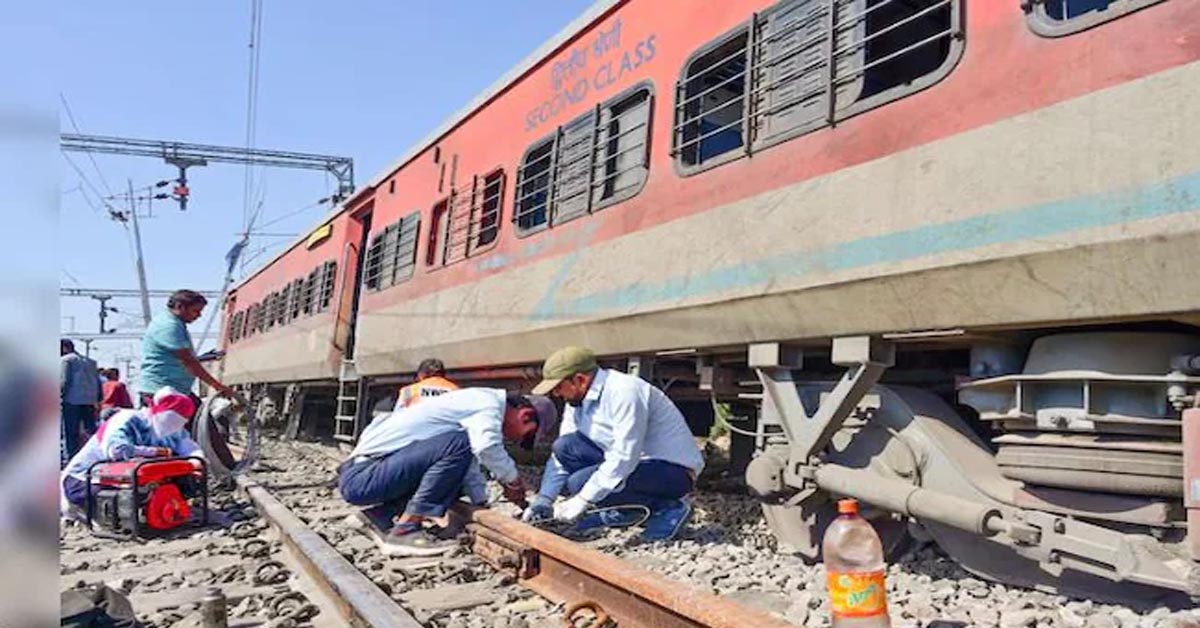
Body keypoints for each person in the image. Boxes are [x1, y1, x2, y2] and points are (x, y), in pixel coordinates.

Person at [338, 388, 552, 556]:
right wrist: (513, 481)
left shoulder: (474, 404)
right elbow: (485, 447)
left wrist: (480, 504)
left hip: (366, 473)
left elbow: (464, 466)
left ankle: (376, 517)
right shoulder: (488, 404)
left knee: (454, 467)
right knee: (459, 444)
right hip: (364, 476)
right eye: (526, 437)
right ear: (525, 416)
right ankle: (405, 531)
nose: (516, 441)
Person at [524, 346, 704, 541]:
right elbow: (560, 457)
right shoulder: (576, 401)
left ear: (580, 380)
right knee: (565, 447)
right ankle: (629, 509)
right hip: (635, 467)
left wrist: (583, 499)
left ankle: (669, 508)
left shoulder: (624, 391)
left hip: (671, 471)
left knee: (580, 483)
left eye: (559, 387)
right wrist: (544, 500)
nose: (557, 394)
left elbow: (625, 455)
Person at [60, 388, 203, 518]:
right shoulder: (128, 419)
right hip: (85, 478)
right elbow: (116, 450)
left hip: (132, 478)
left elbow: (190, 448)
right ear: (158, 411)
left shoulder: (176, 431)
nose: (173, 426)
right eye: (171, 419)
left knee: (185, 480)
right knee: (122, 499)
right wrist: (157, 452)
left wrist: (195, 462)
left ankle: (157, 510)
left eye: (180, 422)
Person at [139, 290, 236, 407]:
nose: (199, 315)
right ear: (180, 307)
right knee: (189, 422)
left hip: (174, 389)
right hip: (162, 392)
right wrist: (217, 386)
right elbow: (188, 361)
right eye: (196, 311)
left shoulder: (172, 322)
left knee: (201, 420)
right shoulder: (169, 326)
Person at [61, 339, 101, 458]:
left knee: (70, 431)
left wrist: (59, 395)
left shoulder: (66, 360)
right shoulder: (91, 362)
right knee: (90, 431)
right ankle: (94, 455)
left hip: (71, 400)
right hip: (89, 401)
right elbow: (98, 382)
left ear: (64, 348)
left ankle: (71, 457)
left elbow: (63, 381)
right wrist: (98, 398)